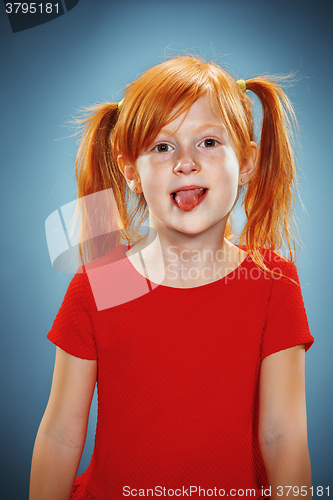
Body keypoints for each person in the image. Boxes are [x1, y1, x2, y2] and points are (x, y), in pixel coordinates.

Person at [29, 55, 314, 500]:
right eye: (162, 147)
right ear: (131, 172)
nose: (186, 162)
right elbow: (61, 435)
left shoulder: (272, 282)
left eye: (208, 142)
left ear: (247, 162)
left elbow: (284, 435)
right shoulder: (105, 280)